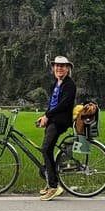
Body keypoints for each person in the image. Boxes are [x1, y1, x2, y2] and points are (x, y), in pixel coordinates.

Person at [35, 55, 76, 201]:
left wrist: (48, 116)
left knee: (46, 149)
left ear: (67, 69)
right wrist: (44, 116)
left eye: (62, 66)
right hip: (53, 119)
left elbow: (63, 105)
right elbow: (52, 105)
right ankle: (50, 182)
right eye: (57, 66)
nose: (59, 68)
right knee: (48, 150)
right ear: (53, 68)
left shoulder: (69, 85)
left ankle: (54, 187)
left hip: (60, 121)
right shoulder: (55, 84)